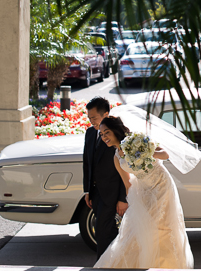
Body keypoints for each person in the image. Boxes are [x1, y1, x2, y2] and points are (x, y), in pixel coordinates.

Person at [94, 115, 194, 269]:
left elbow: (165, 155)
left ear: (115, 130)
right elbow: (127, 183)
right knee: (138, 230)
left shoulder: (136, 140)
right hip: (143, 190)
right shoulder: (117, 157)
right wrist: (132, 204)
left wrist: (143, 153)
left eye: (106, 132)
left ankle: (169, 265)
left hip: (161, 185)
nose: (104, 137)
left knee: (162, 227)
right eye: (101, 134)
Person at [82, 97, 128, 259]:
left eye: (94, 118)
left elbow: (126, 168)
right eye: (89, 118)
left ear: (106, 114)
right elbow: (87, 163)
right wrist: (87, 191)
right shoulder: (89, 133)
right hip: (96, 194)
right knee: (103, 232)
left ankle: (104, 265)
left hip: (113, 193)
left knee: (104, 232)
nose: (91, 121)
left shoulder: (118, 135)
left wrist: (123, 198)